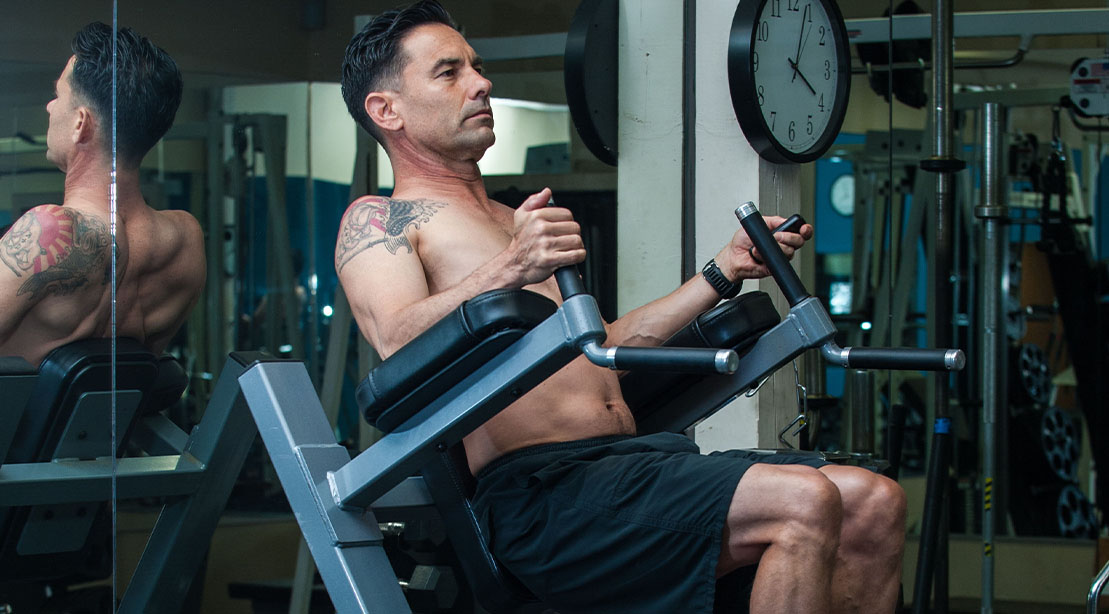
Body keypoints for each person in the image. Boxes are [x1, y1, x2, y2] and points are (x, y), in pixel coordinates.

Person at [337, 2, 906, 612]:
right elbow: (396, 341)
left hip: (629, 464)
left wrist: (723, 271)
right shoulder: (380, 219)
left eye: (476, 66)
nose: (481, 83)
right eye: (449, 72)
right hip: (544, 495)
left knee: (873, 502)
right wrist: (510, 270)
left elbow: (601, 347)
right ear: (386, 109)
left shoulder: (512, 220)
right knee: (803, 501)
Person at [0, 23, 204, 366]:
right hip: (116, 422)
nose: (50, 107)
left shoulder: (47, 230)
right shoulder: (185, 240)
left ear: (81, 122)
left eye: (59, 96)